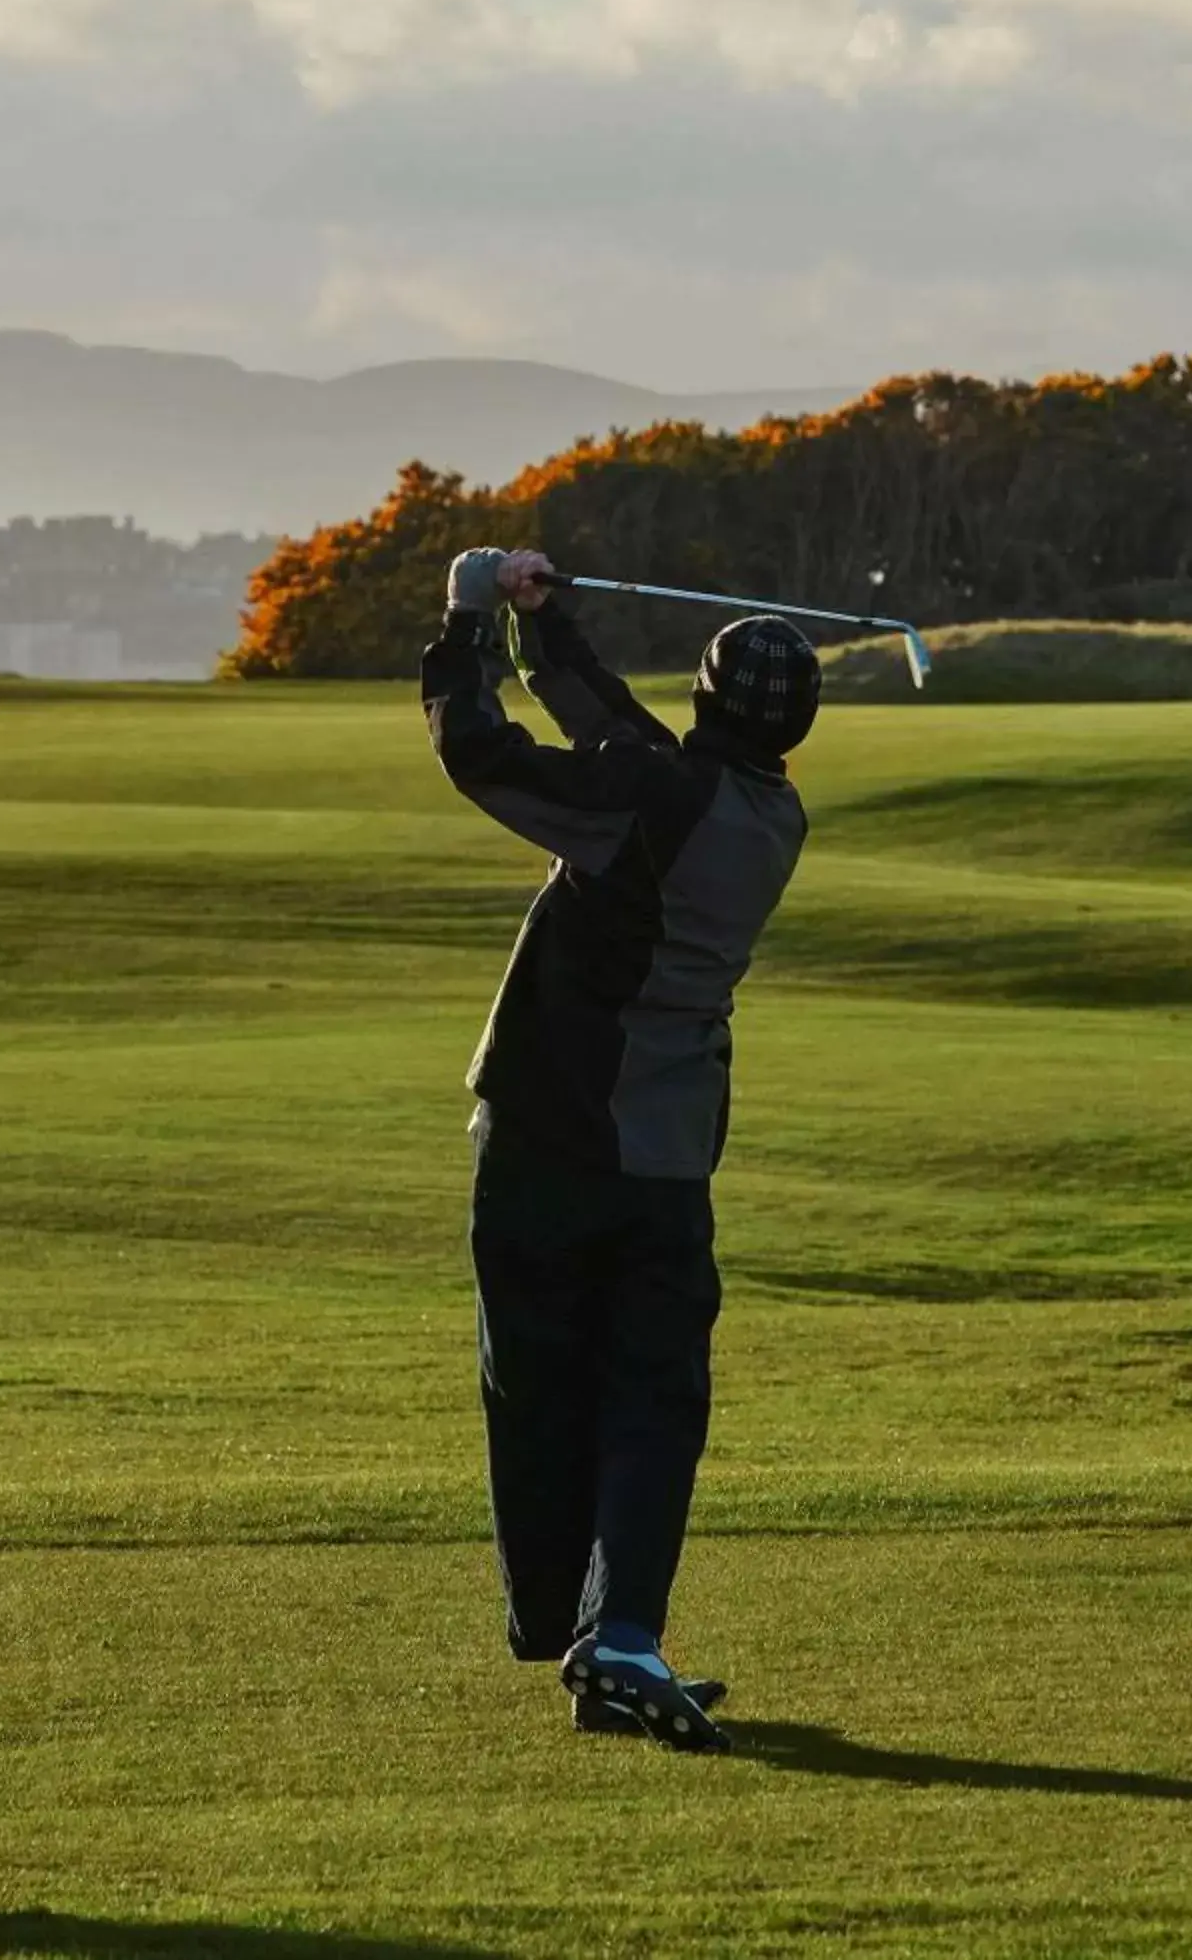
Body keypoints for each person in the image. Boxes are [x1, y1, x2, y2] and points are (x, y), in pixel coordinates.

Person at [422, 546, 818, 1752]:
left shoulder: (649, 801)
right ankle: (620, 1638)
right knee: (653, 1398)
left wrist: (469, 616)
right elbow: (619, 734)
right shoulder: (764, 811)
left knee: (536, 1381)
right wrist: (552, 627)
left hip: (551, 1138)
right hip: (666, 1158)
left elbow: (477, 753)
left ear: (702, 697)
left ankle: (575, 1629)